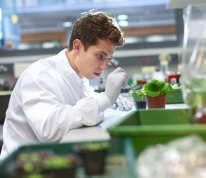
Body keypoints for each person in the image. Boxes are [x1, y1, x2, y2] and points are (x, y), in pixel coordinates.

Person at [0, 12, 128, 159]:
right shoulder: (40, 75)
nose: (105, 66)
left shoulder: (79, 76)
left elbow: (80, 109)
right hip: (20, 167)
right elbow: (49, 130)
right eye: (100, 56)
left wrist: (111, 102)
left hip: (57, 160)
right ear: (77, 45)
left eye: (108, 59)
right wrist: (104, 99)